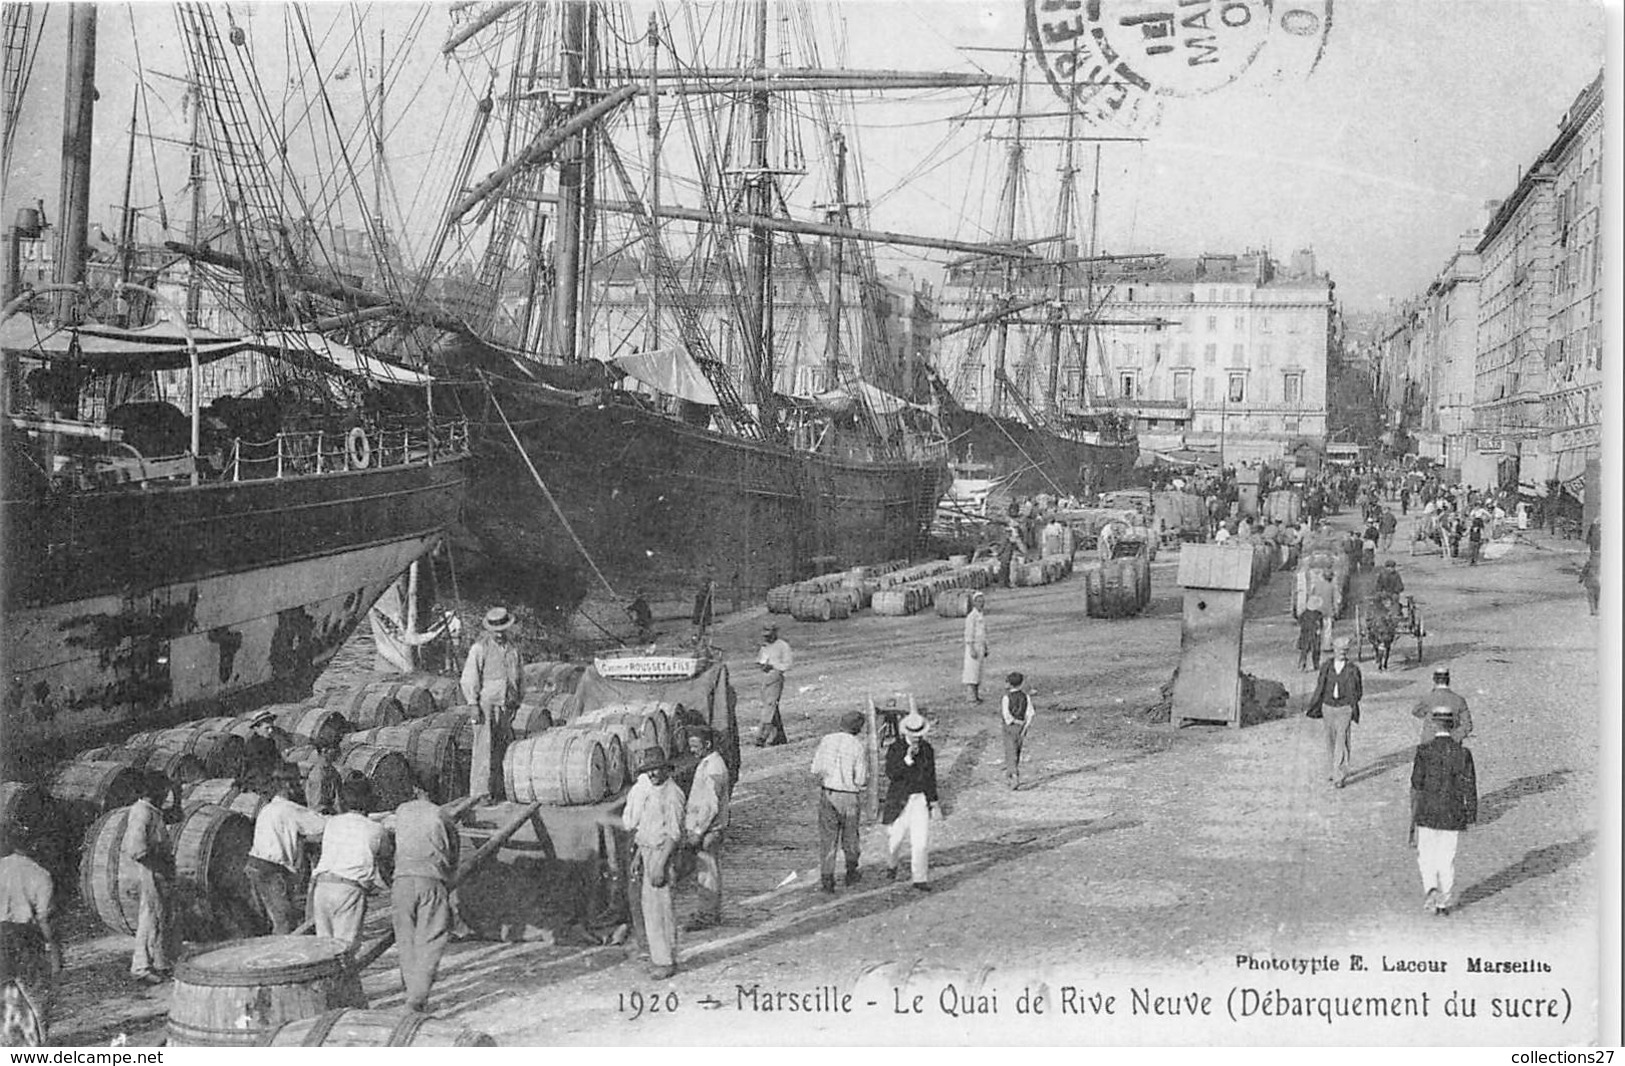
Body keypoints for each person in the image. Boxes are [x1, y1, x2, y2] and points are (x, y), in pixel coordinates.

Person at [388, 785, 459, 1013]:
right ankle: (416, 999)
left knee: (405, 939)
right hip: (430, 879)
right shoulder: (440, 814)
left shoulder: (401, 811)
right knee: (430, 939)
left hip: (402, 880)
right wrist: (449, 874)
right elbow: (453, 848)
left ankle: (410, 988)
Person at [622, 746, 685, 979]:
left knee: (662, 908)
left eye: (657, 769)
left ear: (665, 769)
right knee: (650, 909)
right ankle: (659, 957)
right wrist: (639, 856)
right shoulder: (651, 791)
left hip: (661, 853)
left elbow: (673, 834)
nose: (653, 774)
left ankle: (667, 960)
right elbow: (644, 828)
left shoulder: (672, 794)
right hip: (647, 850)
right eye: (649, 770)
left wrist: (660, 864)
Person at [1409, 705, 1478, 916]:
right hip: (1452, 812)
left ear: (1433, 724)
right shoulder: (1462, 753)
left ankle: (1430, 887)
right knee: (1447, 858)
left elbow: (1416, 782)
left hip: (1427, 810)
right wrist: (1471, 813)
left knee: (1426, 855)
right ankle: (1443, 902)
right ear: (1453, 725)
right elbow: (1469, 786)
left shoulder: (1423, 751)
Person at [309, 778, 392, 953]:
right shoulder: (376, 829)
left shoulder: (332, 823)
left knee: (324, 950)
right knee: (345, 950)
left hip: (321, 887)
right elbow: (386, 855)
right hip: (348, 890)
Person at [244, 768, 328, 934]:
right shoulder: (289, 809)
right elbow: (323, 826)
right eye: (298, 783)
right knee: (285, 922)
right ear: (288, 786)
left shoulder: (268, 808)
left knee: (275, 918)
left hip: (254, 866)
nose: (301, 788)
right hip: (271, 871)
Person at [0, 823, 63, 1043]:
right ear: (34, 844)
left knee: (3, 995)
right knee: (37, 994)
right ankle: (40, 1044)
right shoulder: (41, 874)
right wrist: (55, 953)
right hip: (25, 937)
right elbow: (45, 919)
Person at [461, 606, 524, 800]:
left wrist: (517, 700)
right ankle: (481, 794)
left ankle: (500, 789)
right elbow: (469, 677)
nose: (499, 634)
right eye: (495, 630)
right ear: (489, 630)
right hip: (486, 704)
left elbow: (519, 676)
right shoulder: (480, 648)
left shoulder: (513, 650)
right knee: (483, 748)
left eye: (502, 630)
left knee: (503, 746)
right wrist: (472, 704)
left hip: (506, 703)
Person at [122, 774, 177, 984]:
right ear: (154, 791)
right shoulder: (142, 812)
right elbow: (136, 848)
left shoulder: (151, 811)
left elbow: (176, 815)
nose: (167, 794)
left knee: (157, 916)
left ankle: (157, 963)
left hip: (155, 868)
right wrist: (160, 864)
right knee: (151, 917)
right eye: (164, 789)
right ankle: (142, 967)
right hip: (149, 869)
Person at [809, 711, 869, 893]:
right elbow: (860, 779)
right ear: (858, 728)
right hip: (849, 796)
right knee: (850, 837)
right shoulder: (858, 746)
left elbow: (816, 768)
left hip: (829, 793)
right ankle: (851, 872)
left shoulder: (827, 740)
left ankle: (827, 879)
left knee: (828, 839)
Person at [881, 711, 941, 891]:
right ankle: (892, 865)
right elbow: (892, 773)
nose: (916, 739)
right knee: (895, 839)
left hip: (919, 799)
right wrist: (907, 759)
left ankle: (920, 878)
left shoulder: (927, 749)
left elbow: (931, 777)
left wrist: (934, 802)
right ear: (906, 733)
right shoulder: (895, 749)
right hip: (899, 800)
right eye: (913, 735)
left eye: (919, 735)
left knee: (921, 842)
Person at [681, 727, 730, 931]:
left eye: (695, 746)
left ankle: (707, 915)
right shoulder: (708, 763)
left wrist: (698, 831)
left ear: (707, 745)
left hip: (709, 829)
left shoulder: (713, 768)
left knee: (707, 872)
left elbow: (710, 806)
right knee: (708, 870)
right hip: (708, 828)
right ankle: (710, 911)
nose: (692, 750)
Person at [1306, 636, 1363, 789]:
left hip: (1345, 708)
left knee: (1342, 740)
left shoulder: (1353, 669)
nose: (1342, 653)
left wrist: (1351, 704)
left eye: (1345, 651)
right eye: (1339, 650)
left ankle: (1340, 774)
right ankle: (1333, 769)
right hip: (1328, 707)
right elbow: (1320, 685)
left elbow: (1359, 690)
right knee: (1330, 739)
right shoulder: (1326, 666)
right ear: (1334, 650)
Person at [1411, 667, 1473, 744]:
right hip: (1452, 742)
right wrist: (1456, 737)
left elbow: (1415, 711)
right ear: (1448, 680)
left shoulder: (1428, 698)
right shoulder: (1459, 700)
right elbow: (1467, 725)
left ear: (1434, 680)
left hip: (1429, 741)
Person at [755, 624, 793, 747]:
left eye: (769, 635)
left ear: (775, 633)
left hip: (776, 677)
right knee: (771, 707)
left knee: (769, 707)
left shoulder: (783, 646)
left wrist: (774, 666)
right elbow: (760, 660)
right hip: (765, 678)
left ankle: (762, 736)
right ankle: (779, 736)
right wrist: (763, 666)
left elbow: (787, 664)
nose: (767, 638)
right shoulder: (765, 646)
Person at [999, 672, 1035, 791]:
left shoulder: (1006, 698)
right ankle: (1012, 772)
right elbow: (1030, 713)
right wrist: (1025, 726)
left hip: (1010, 727)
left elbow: (1006, 715)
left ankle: (1013, 775)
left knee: (1010, 751)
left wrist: (1013, 721)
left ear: (1009, 684)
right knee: (1017, 750)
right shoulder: (1026, 697)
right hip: (1021, 727)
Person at [962, 592, 989, 704]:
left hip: (980, 645)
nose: (981, 604)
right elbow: (969, 633)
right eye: (978, 601)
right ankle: (970, 697)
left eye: (982, 602)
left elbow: (983, 633)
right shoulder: (971, 617)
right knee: (971, 672)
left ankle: (976, 696)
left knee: (978, 672)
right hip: (973, 646)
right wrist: (971, 648)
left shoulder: (981, 615)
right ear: (974, 603)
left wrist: (986, 647)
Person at [305, 737, 342, 815]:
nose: (337, 751)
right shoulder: (318, 775)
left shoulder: (332, 771)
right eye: (333, 749)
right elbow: (317, 806)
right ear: (324, 751)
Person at [1296, 596, 1326, 672]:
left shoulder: (1304, 614)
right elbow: (1321, 625)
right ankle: (1316, 665)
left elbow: (1299, 622)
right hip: (1315, 635)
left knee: (1304, 651)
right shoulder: (1319, 614)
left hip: (1305, 634)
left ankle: (1302, 664)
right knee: (1316, 651)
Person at [690, 570, 717, 640]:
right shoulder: (700, 594)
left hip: (706, 607)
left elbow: (710, 600)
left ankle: (702, 632)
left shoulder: (709, 590)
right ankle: (697, 634)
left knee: (705, 617)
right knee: (699, 618)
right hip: (700, 606)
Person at [1579, 551, 1600, 616]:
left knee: (1591, 597)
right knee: (1597, 597)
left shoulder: (1589, 563)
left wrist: (1581, 579)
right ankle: (1596, 609)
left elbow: (1584, 572)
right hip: (1598, 582)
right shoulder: (1603, 563)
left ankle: (1593, 610)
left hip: (1590, 582)